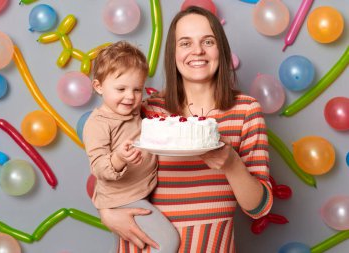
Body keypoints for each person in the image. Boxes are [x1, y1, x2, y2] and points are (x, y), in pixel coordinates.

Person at [98, 6, 273, 253]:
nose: (197, 51)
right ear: (173, 53)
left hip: (212, 244)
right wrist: (106, 212)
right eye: (185, 43)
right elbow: (107, 169)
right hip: (150, 244)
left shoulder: (246, 110)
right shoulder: (146, 111)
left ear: (220, 49)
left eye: (208, 41)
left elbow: (259, 207)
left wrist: (231, 164)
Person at [83, 41, 180, 253]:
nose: (130, 96)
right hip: (123, 199)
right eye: (121, 89)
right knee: (167, 242)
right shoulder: (97, 124)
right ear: (99, 87)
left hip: (139, 192)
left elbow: (153, 102)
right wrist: (119, 158)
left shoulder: (135, 108)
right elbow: (98, 167)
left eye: (137, 89)